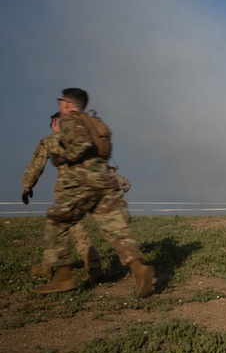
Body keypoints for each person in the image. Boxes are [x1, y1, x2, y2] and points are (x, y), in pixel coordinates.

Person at [34, 88, 155, 296]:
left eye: (61, 101)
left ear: (69, 104)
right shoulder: (97, 123)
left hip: (83, 182)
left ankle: (62, 277)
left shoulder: (71, 120)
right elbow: (103, 151)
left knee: (57, 221)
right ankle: (139, 268)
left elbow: (82, 145)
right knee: (116, 229)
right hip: (105, 182)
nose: (59, 105)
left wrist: (61, 156)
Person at [21, 112, 102, 282]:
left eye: (51, 124)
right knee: (66, 228)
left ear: (57, 123)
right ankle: (51, 268)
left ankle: (85, 268)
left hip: (66, 192)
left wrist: (28, 186)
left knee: (66, 229)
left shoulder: (51, 141)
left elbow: (37, 164)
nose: (51, 128)